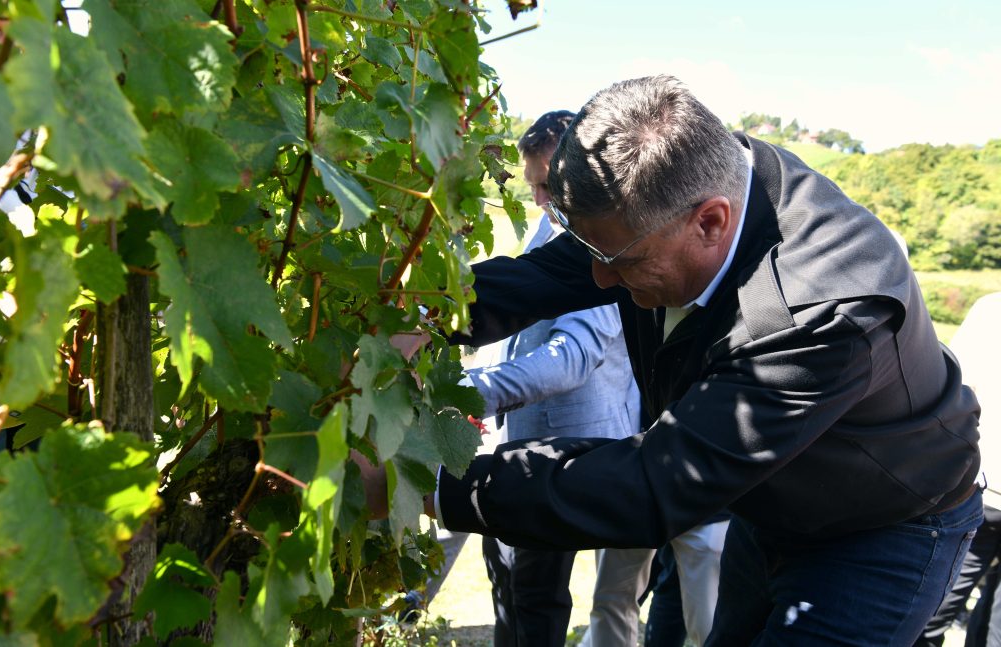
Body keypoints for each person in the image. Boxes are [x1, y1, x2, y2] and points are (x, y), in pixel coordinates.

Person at [362, 74, 982, 644]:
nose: (600, 281)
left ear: (711, 223)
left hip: (885, 527)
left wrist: (425, 481)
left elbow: (656, 483)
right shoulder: (677, 190)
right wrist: (424, 317)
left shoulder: (820, 311)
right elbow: (552, 274)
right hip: (776, 504)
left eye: (621, 261)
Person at [468, 110, 651, 647]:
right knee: (512, 589)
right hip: (526, 440)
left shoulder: (601, 243)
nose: (542, 202)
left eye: (548, 185)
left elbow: (571, 356)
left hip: (576, 450)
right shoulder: (550, 226)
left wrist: (474, 390)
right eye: (533, 189)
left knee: (540, 599)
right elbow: (520, 322)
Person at [917, 292, 1001, 647]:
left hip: (978, 481)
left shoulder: (992, 309)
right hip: (980, 487)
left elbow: (952, 385)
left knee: (936, 605)